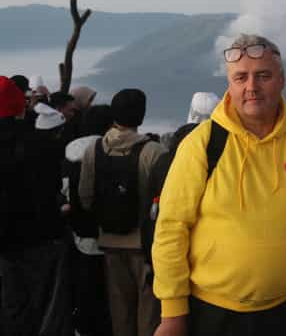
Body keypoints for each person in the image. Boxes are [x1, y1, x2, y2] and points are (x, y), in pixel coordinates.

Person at [152, 34, 286, 336]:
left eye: (263, 76)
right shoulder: (202, 145)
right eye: (240, 77)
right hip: (213, 313)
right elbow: (171, 228)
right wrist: (172, 313)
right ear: (229, 84)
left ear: (281, 80)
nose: (251, 87)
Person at [79, 88, 167, 336]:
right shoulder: (154, 152)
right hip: (144, 245)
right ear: (141, 115)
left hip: (108, 240)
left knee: (120, 309)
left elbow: (85, 196)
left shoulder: (94, 149)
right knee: (148, 308)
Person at [1, 77, 73, 335]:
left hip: (5, 243)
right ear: (20, 107)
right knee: (48, 308)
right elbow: (50, 188)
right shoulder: (37, 144)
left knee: (12, 306)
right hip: (40, 238)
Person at [64, 104, 115, 336]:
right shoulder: (110, 150)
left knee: (85, 291)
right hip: (112, 234)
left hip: (78, 233)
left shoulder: (69, 152)